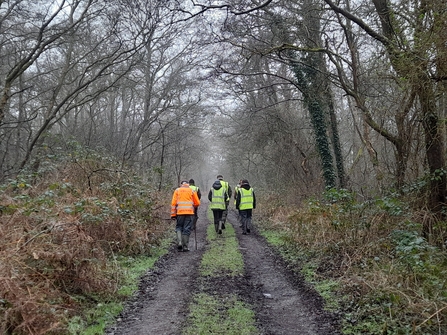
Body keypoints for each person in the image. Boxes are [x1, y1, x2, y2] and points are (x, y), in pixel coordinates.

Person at [171, 180, 200, 251]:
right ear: (188, 184)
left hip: (179, 213)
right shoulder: (192, 191)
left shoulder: (177, 190)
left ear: (181, 184)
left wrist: (173, 214)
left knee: (179, 227)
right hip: (189, 213)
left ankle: (180, 242)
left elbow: (173, 203)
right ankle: (185, 247)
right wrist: (193, 206)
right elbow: (197, 203)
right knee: (186, 228)